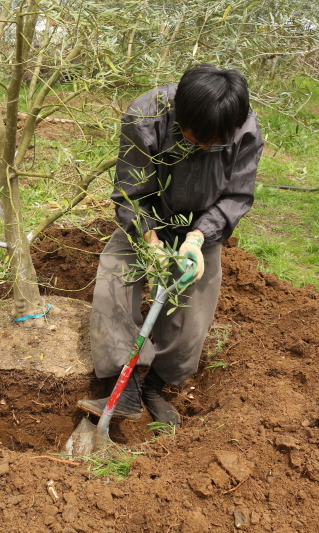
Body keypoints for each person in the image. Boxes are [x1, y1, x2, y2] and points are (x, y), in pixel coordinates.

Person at [78, 64, 263, 428]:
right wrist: (152, 243)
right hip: (149, 217)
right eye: (198, 140)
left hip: (201, 226)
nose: (208, 147)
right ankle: (126, 387)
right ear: (180, 117)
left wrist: (197, 238)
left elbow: (237, 194)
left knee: (194, 308)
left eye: (215, 142)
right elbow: (130, 195)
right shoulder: (145, 117)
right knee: (114, 280)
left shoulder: (244, 130)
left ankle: (156, 386)